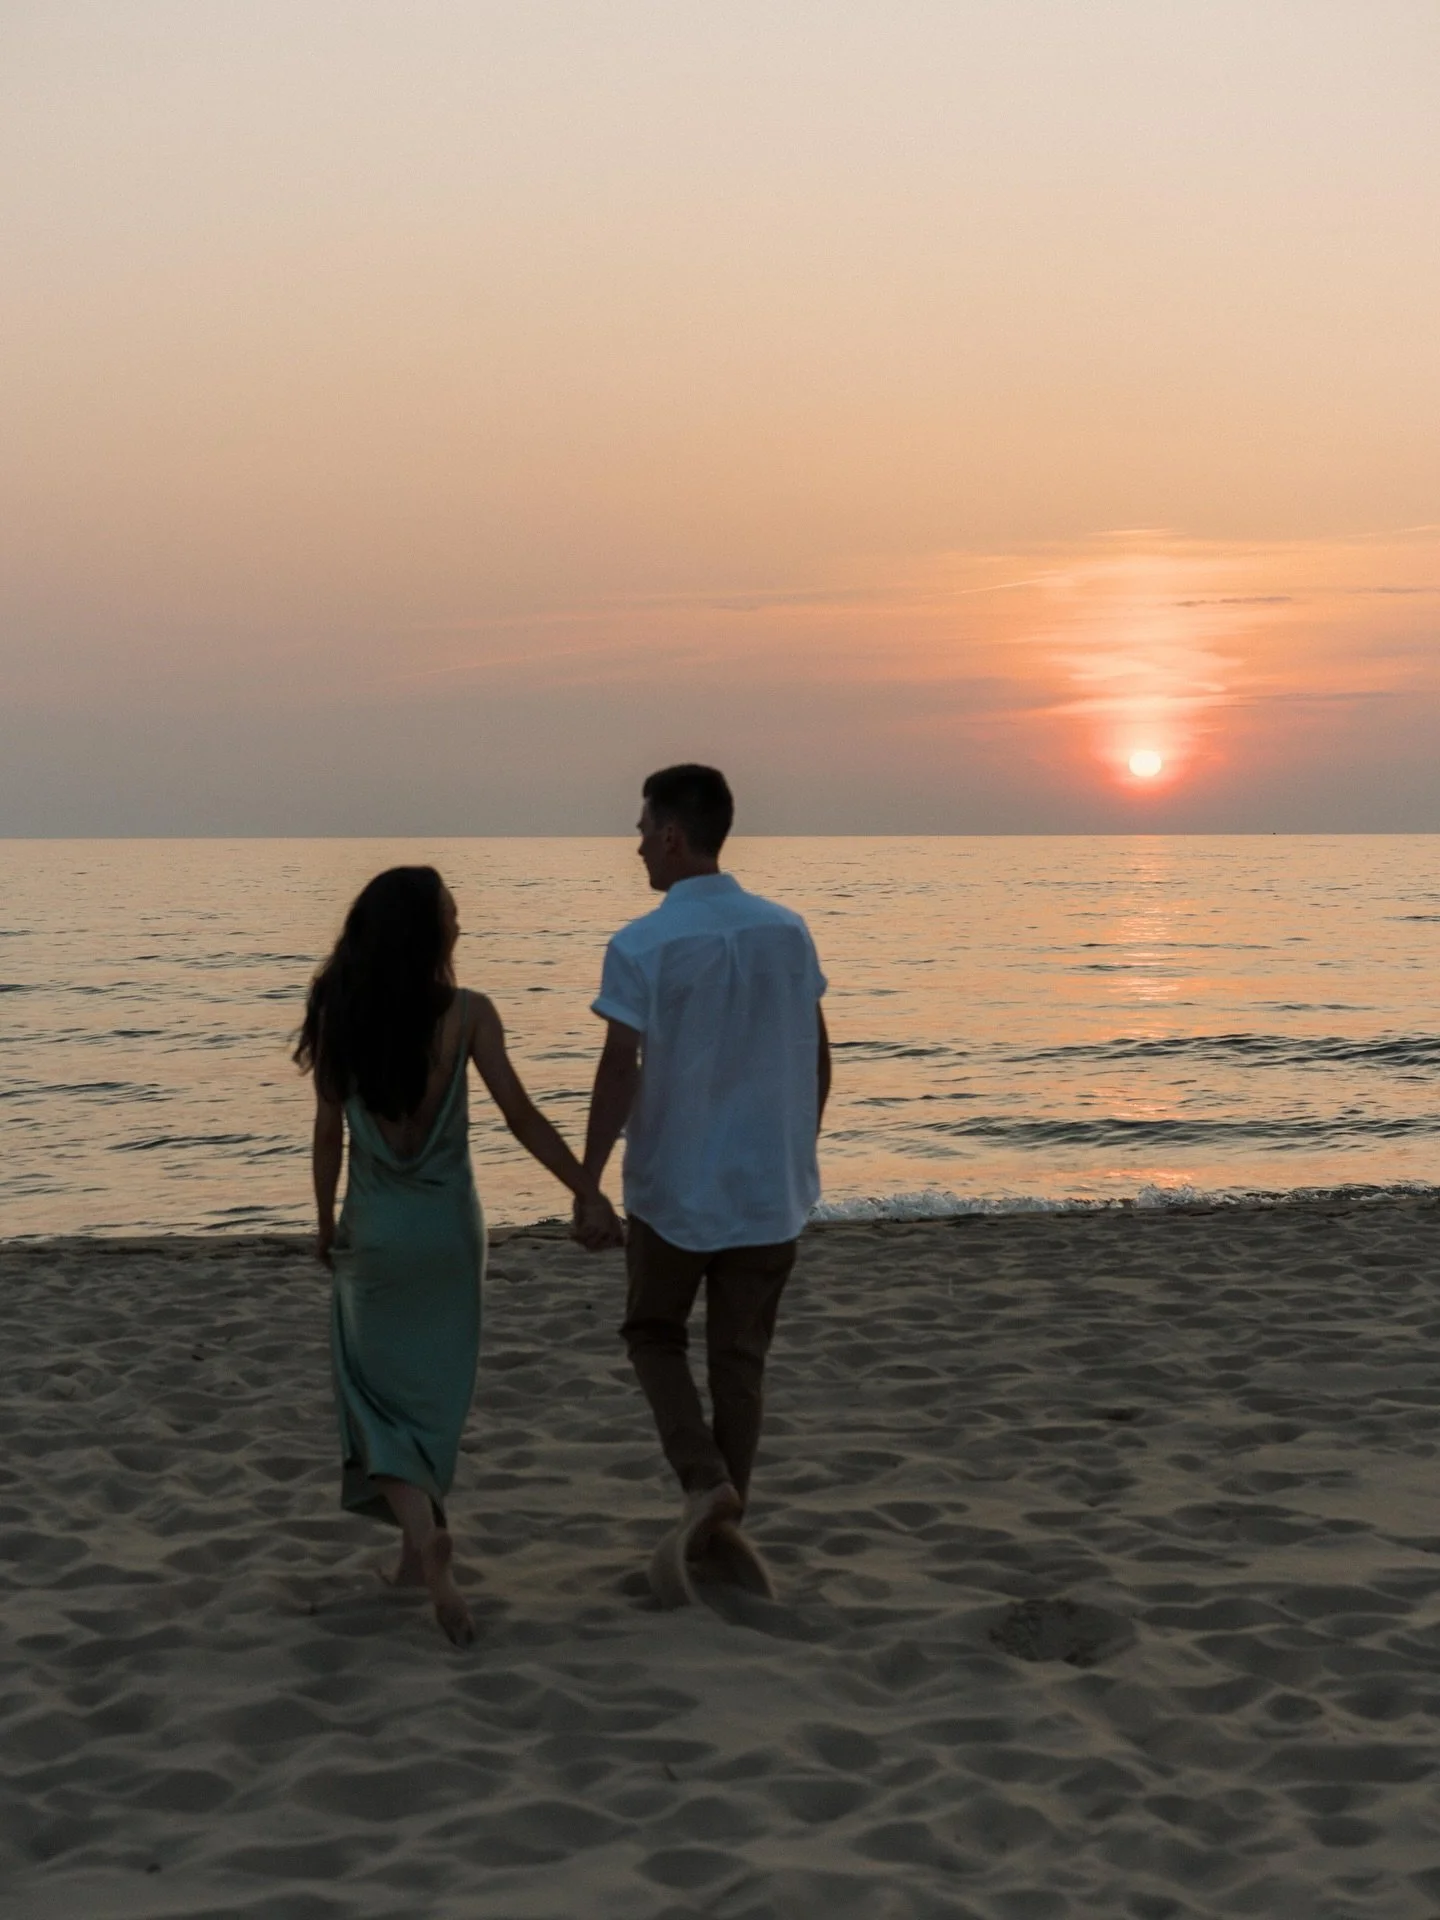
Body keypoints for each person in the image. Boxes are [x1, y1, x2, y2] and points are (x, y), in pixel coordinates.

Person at [296, 866, 620, 1646]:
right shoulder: (470, 1014)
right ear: (425, 931)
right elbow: (520, 1116)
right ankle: (418, 1557)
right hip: (449, 1234)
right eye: (451, 914)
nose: (460, 926)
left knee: (370, 1399)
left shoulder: (339, 1012)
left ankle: (423, 1539)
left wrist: (321, 1221)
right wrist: (587, 1189)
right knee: (433, 1397)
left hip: (376, 1235)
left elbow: (328, 1133)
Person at [578, 766, 830, 1598]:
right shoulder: (787, 932)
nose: (639, 843)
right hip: (770, 1186)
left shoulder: (644, 943)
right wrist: (796, 1142)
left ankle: (702, 1482)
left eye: (645, 828)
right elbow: (818, 1055)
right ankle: (729, 1518)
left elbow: (620, 1070)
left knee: (653, 1333)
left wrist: (588, 1179)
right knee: (740, 1358)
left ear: (675, 836)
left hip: (677, 1185)